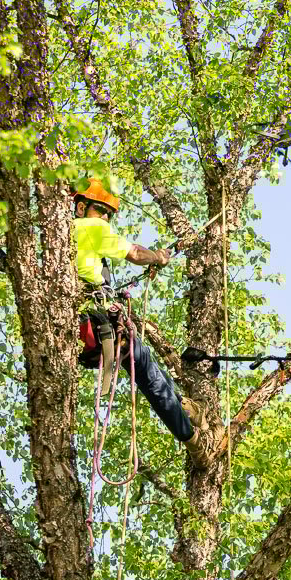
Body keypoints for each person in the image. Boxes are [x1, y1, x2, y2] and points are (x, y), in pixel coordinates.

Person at [73, 179, 196, 444]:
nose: (105, 217)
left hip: (82, 325)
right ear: (81, 207)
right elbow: (135, 252)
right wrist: (157, 257)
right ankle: (189, 435)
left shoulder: (62, 237)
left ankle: (183, 406)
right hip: (98, 322)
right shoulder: (90, 227)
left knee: (148, 364)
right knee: (148, 373)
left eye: (109, 214)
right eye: (100, 210)